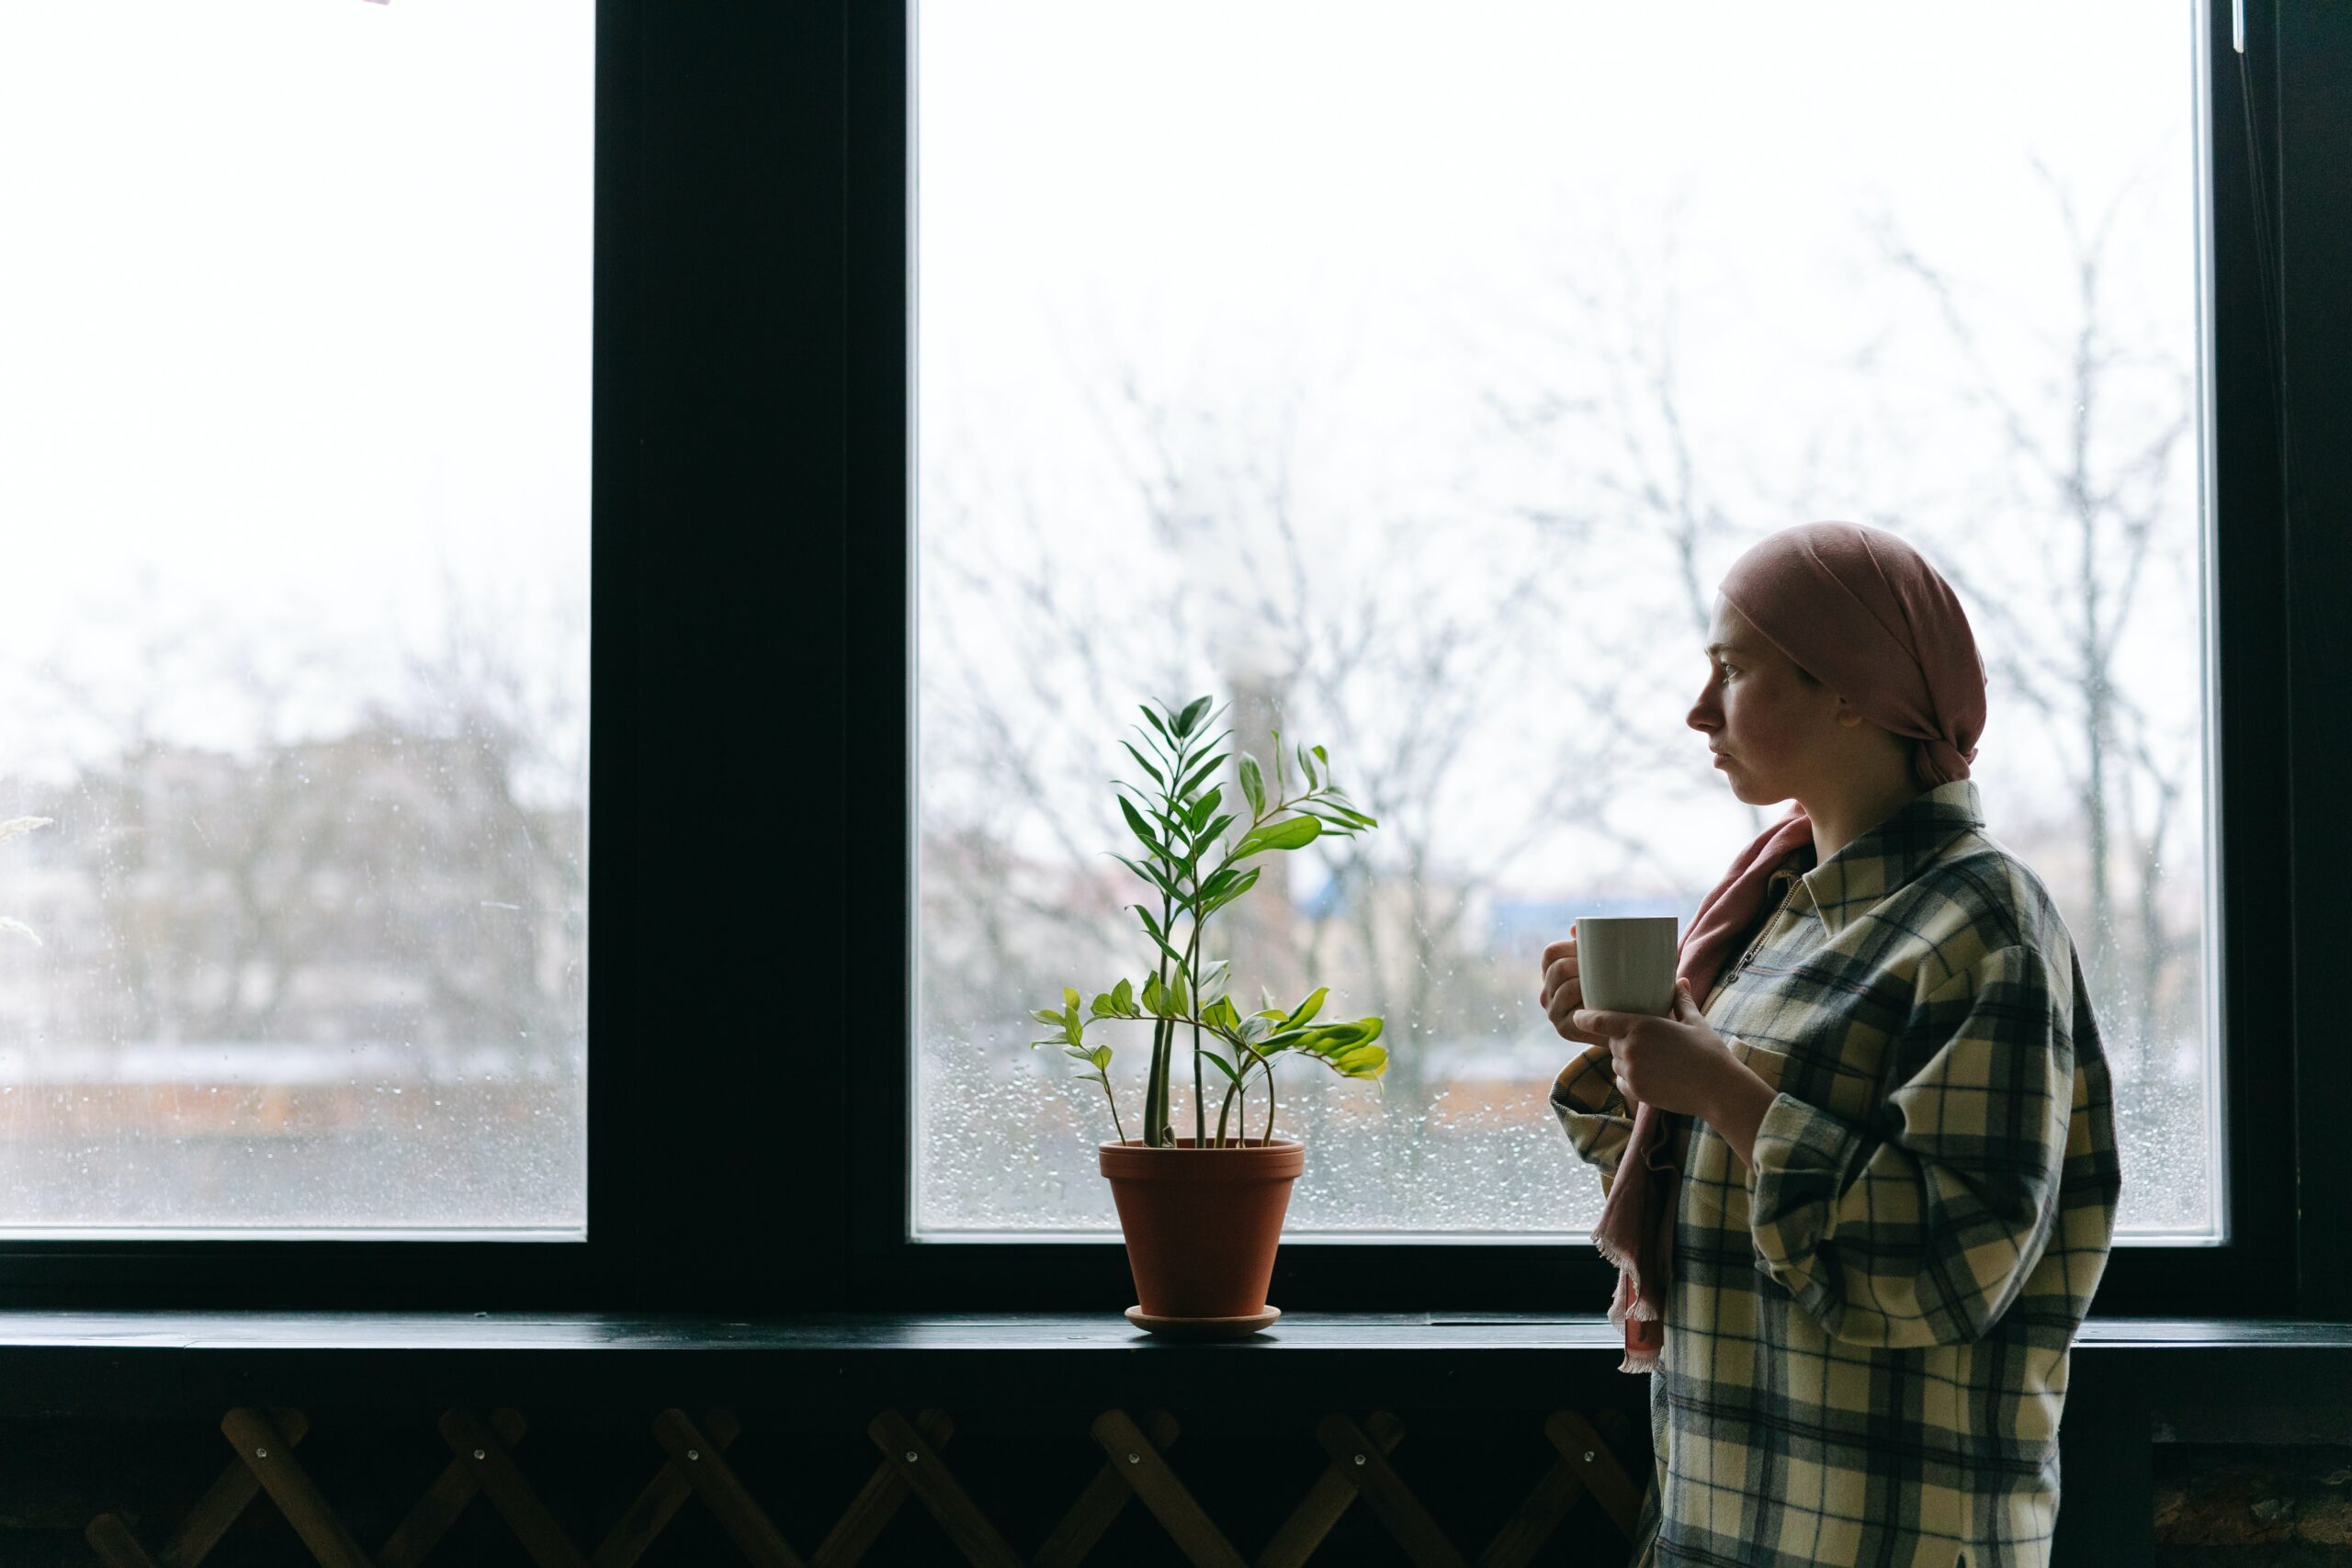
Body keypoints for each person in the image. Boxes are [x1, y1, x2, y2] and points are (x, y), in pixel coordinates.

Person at [1541, 522, 2123, 1567]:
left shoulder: (1980, 920)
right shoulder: (1774, 914)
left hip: (1883, 1538)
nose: (1697, 709)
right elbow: (1716, 1195)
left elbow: (1951, 1266)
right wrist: (1630, 1053)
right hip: (1724, 1521)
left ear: (1850, 687)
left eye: (1731, 668)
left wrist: (1721, 1090)